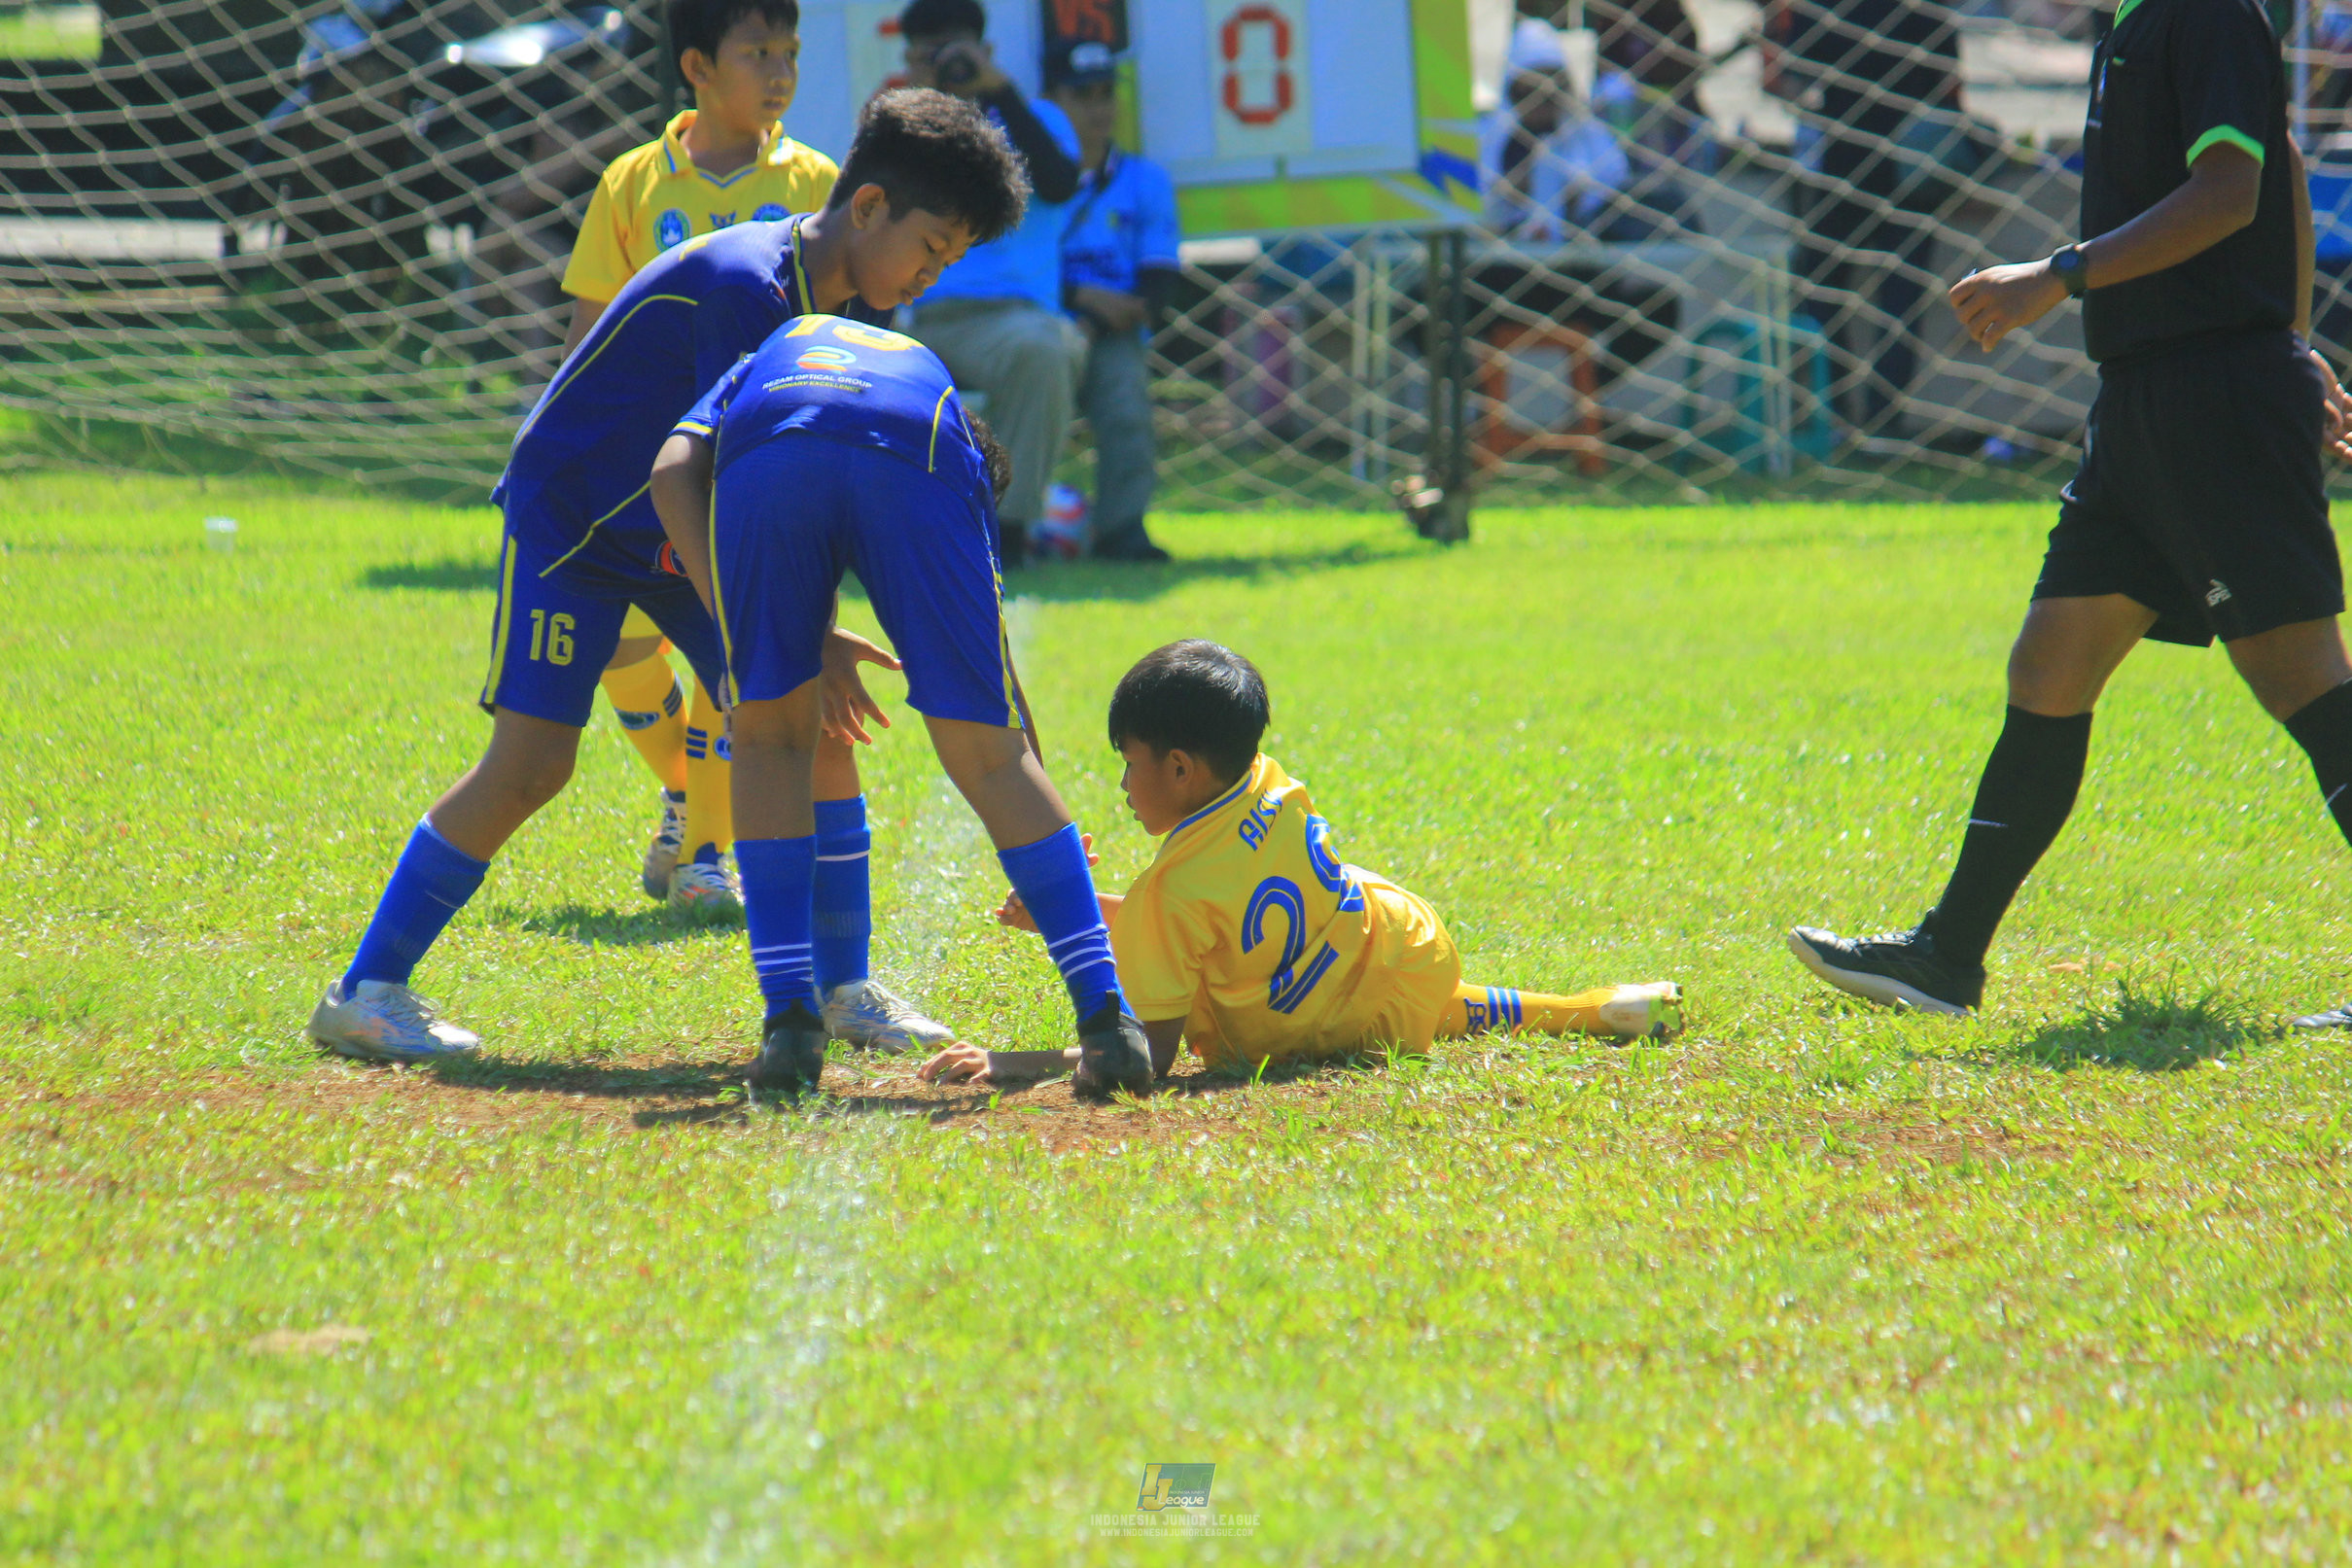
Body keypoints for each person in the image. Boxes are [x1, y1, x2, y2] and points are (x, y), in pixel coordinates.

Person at [304, 88, 1022, 1064]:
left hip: (683, 532)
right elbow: (722, 484)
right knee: (531, 766)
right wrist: (801, 627)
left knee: (806, 720)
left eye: (948, 263)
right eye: (930, 249)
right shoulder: (747, 289)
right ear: (867, 209)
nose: (930, 277)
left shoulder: (842, 306)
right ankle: (366, 988)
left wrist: (807, 637)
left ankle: (841, 984)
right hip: (579, 523)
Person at [1789, 0, 2352, 1025]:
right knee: (2049, 663)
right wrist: (2297, 340)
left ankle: (1945, 951)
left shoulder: (2207, 13)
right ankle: (1945, 957)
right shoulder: (2137, 20)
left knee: (2304, 683)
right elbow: (2285, 180)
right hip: (2144, 401)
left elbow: (2234, 193)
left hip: (2210, 396)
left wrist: (2058, 275)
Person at [647, 317, 1156, 1097]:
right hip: (915, 457)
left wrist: (734, 629)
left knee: (770, 739)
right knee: (989, 755)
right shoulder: (946, 420)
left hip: (774, 447)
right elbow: (1000, 689)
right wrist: (1033, 794)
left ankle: (788, 1026)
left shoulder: (771, 348)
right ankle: (1108, 1023)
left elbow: (670, 468)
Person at [918, 641, 1683, 1086]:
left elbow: (1142, 1055)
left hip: (1309, 1030)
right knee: (1449, 1005)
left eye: (1128, 763)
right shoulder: (1269, 781)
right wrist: (1084, 905)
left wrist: (1014, 1060)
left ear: (1180, 769)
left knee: (1380, 1008)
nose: (1121, 785)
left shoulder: (1171, 890)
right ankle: (1598, 1009)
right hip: (1401, 959)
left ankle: (1591, 1010)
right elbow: (1210, 911)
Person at [557, 0, 842, 916]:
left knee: (734, 650)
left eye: (789, 50)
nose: (779, 69)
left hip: (755, 465)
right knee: (622, 650)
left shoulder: (816, 183)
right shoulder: (634, 183)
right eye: (757, 50)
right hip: (642, 464)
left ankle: (709, 856)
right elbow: (589, 332)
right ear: (697, 68)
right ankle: (687, 797)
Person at [898, 0, 1087, 568]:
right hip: (917, 314)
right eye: (933, 55)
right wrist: (929, 104)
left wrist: (998, 93)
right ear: (909, 59)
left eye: (961, 53)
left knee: (1044, 350)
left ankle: (1007, 531)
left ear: (988, 53)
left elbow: (1057, 183)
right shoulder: (900, 125)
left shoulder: (1039, 119)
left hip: (1016, 320)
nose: (952, 66)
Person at [1767, 0, 1962, 438]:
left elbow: (1783, 82)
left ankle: (1834, 415)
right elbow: (1950, 93)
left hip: (1839, 169)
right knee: (1900, 301)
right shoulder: (1927, 11)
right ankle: (1883, 422)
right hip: (1911, 170)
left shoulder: (1817, 9)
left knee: (1823, 296)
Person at [1044, 39, 1178, 564]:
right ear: (1051, 100)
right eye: (1082, 95)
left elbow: (1161, 276)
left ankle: (1123, 530)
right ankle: (1012, 528)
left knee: (1126, 406)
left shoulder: (1146, 180)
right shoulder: (1027, 178)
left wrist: (1109, 317)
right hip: (1041, 320)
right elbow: (1011, 268)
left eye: (1106, 94)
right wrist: (1079, 299)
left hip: (1115, 328)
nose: (1099, 108)